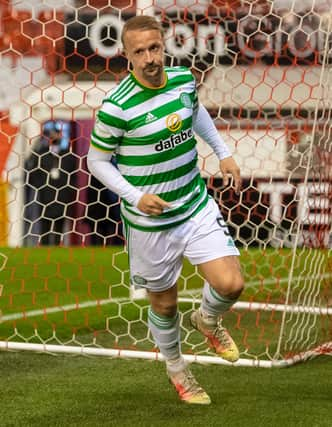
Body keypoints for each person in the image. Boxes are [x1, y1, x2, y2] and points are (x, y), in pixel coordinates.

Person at [87, 15, 244, 405]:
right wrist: (135, 196)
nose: (150, 58)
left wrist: (222, 153)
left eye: (154, 48)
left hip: (193, 204)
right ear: (126, 55)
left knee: (230, 284)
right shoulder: (116, 107)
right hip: (149, 222)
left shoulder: (183, 80)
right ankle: (178, 370)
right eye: (139, 51)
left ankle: (206, 319)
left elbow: (196, 114)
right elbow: (97, 162)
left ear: (164, 45)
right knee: (166, 303)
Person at [25, 121, 77, 245]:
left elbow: (73, 176)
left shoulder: (68, 156)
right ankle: (44, 248)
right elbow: (34, 174)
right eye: (52, 134)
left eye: (57, 134)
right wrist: (41, 187)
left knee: (60, 225)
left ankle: (58, 249)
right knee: (45, 226)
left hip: (62, 196)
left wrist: (69, 192)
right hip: (46, 196)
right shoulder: (41, 154)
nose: (55, 137)